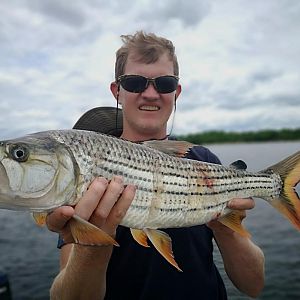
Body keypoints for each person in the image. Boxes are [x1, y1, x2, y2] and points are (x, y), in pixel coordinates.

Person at [47, 31, 265, 300]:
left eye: (164, 83)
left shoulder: (204, 161)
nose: (150, 94)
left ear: (177, 92)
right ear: (117, 90)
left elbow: (253, 286)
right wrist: (91, 245)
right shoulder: (84, 167)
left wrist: (224, 226)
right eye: (135, 82)